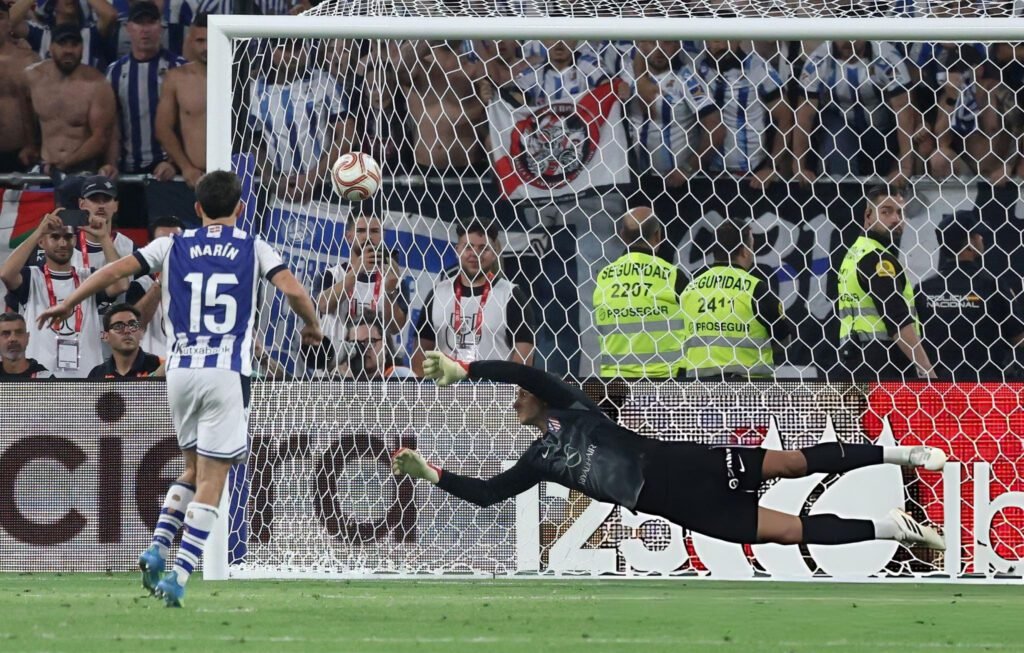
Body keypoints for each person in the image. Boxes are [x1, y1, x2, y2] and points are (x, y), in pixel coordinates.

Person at [36, 170, 323, 607]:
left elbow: (117, 270)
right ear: (240, 209)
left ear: (197, 209)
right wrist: (313, 325)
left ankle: (157, 545)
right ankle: (180, 575)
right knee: (215, 478)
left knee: (191, 470)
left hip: (180, 371)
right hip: (225, 369)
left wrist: (69, 301)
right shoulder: (253, 245)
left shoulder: (173, 244)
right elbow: (293, 290)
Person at [394, 353, 948, 550]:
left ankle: (897, 455)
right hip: (675, 505)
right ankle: (891, 528)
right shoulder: (540, 460)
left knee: (793, 462)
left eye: (519, 396)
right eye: (515, 395)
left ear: (539, 398)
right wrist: (430, 473)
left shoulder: (575, 408)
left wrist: (466, 371)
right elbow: (489, 495)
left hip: (684, 462)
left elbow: (521, 369)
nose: (515, 398)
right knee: (787, 532)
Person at [1, 211, 127, 377]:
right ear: (42, 242)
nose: (62, 243)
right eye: (54, 237)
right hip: (42, 379)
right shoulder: (32, 277)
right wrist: (38, 231)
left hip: (87, 378)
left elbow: (121, 284)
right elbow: (5, 273)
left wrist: (104, 237)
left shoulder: (89, 277)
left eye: (68, 237)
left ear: (74, 240)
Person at [836, 186, 936, 381]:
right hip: (885, 367)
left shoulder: (856, 253)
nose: (896, 219)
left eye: (900, 212)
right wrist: (927, 371)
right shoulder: (878, 259)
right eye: (886, 211)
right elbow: (897, 320)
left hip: (857, 361)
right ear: (868, 215)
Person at [412, 220, 535, 375]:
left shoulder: (510, 295)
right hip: (446, 394)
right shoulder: (438, 294)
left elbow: (524, 361)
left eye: (483, 248)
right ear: (457, 250)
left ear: (495, 253)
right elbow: (420, 354)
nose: (475, 254)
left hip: (493, 395)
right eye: (468, 247)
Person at [918, 213, 1024, 381]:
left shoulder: (923, 289)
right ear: (969, 243)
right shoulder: (992, 285)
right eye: (977, 234)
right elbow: (1019, 337)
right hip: (985, 387)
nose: (981, 238)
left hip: (939, 387)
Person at [681, 222, 792, 380]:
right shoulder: (757, 290)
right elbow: (784, 340)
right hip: (750, 394)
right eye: (752, 246)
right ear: (744, 251)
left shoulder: (690, 290)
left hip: (699, 394)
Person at [794, 40, 914, 186]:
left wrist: (905, 166)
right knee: (837, 146)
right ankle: (841, 199)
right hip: (838, 123)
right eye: (842, 37)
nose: (848, 42)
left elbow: (903, 109)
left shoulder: (887, 58)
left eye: (855, 37)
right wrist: (799, 166)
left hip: (882, 131)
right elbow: (805, 113)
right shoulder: (818, 60)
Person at [247, 38, 352, 203]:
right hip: (280, 190)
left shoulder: (325, 82)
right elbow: (253, 142)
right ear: (270, 51)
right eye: (284, 49)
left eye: (297, 48)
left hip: (326, 187)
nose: (292, 55)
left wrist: (312, 178)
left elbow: (348, 137)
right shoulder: (255, 92)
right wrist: (272, 180)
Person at [592, 207, 687, 379]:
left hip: (613, 384)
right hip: (664, 384)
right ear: (658, 236)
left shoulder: (603, 277)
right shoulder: (673, 276)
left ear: (622, 235)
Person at [21, 24, 117, 175]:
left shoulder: (97, 84)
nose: (68, 50)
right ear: (51, 47)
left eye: (74, 44)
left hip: (82, 169)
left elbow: (101, 137)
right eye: (62, 44)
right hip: (45, 166)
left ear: (82, 48)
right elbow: (25, 105)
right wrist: (30, 143)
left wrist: (65, 164)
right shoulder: (33, 77)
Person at [696, 39, 792, 188]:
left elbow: (786, 118)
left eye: (728, 40)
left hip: (753, 176)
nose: (722, 45)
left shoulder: (758, 67)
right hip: (708, 175)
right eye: (715, 40)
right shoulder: (697, 69)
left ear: (739, 37)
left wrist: (771, 167)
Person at [106, 1, 186, 178]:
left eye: (151, 22)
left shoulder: (179, 68)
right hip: (128, 169)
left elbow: (188, 122)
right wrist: (111, 163)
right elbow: (113, 125)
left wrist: (175, 163)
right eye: (139, 22)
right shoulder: (114, 72)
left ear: (161, 27)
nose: (145, 29)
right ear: (128, 28)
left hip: (170, 171)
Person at [154, 13, 207, 190]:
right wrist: (184, 167)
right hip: (194, 175)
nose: (206, 47)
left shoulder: (240, 78)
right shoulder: (177, 78)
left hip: (235, 175)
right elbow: (163, 128)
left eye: (211, 40)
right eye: (200, 41)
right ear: (190, 41)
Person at [127, 216, 184, 358]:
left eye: (175, 244)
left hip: (188, 368)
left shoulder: (200, 283)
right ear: (150, 247)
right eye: (162, 244)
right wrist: (161, 282)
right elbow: (134, 326)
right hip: (150, 371)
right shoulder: (140, 284)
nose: (169, 250)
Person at [0, 2, 40, 173]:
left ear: (9, 23)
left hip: (21, 153)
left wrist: (33, 144)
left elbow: (39, 108)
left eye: (0, 18)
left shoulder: (28, 60)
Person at [72, 175, 136, 269]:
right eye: (94, 199)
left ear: (116, 206)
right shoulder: (68, 245)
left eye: (106, 199)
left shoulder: (128, 247)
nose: (101, 206)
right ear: (81, 204)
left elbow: (151, 281)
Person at [333, 310, 415, 380]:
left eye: (370, 342)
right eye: (355, 343)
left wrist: (351, 387)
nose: (363, 349)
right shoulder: (342, 376)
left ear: (385, 346)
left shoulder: (401, 376)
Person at [88, 302, 162, 378]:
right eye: (118, 326)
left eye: (133, 325)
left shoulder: (161, 365)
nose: (127, 331)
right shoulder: (97, 374)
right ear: (106, 336)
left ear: (141, 332)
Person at [0, 312, 53, 378]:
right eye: (6, 333)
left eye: (19, 333)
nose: (13, 338)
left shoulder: (45, 379)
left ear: (27, 338)